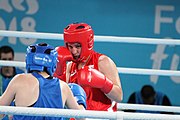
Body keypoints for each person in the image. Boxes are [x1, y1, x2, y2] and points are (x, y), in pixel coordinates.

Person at [0, 43, 86, 120]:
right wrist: (79, 98)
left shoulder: (19, 80)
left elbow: (1, 112)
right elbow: (81, 117)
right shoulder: (63, 87)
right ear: (53, 63)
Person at [54, 22, 123, 111]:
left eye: (77, 46)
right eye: (70, 47)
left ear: (89, 43)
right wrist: (59, 71)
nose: (74, 51)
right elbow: (61, 99)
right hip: (78, 116)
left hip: (102, 117)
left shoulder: (103, 62)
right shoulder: (70, 66)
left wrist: (103, 83)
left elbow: (119, 97)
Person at [0, 45, 24, 120]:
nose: (7, 63)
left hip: (16, 115)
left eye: (9, 59)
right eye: (4, 59)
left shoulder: (21, 75)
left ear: (13, 59)